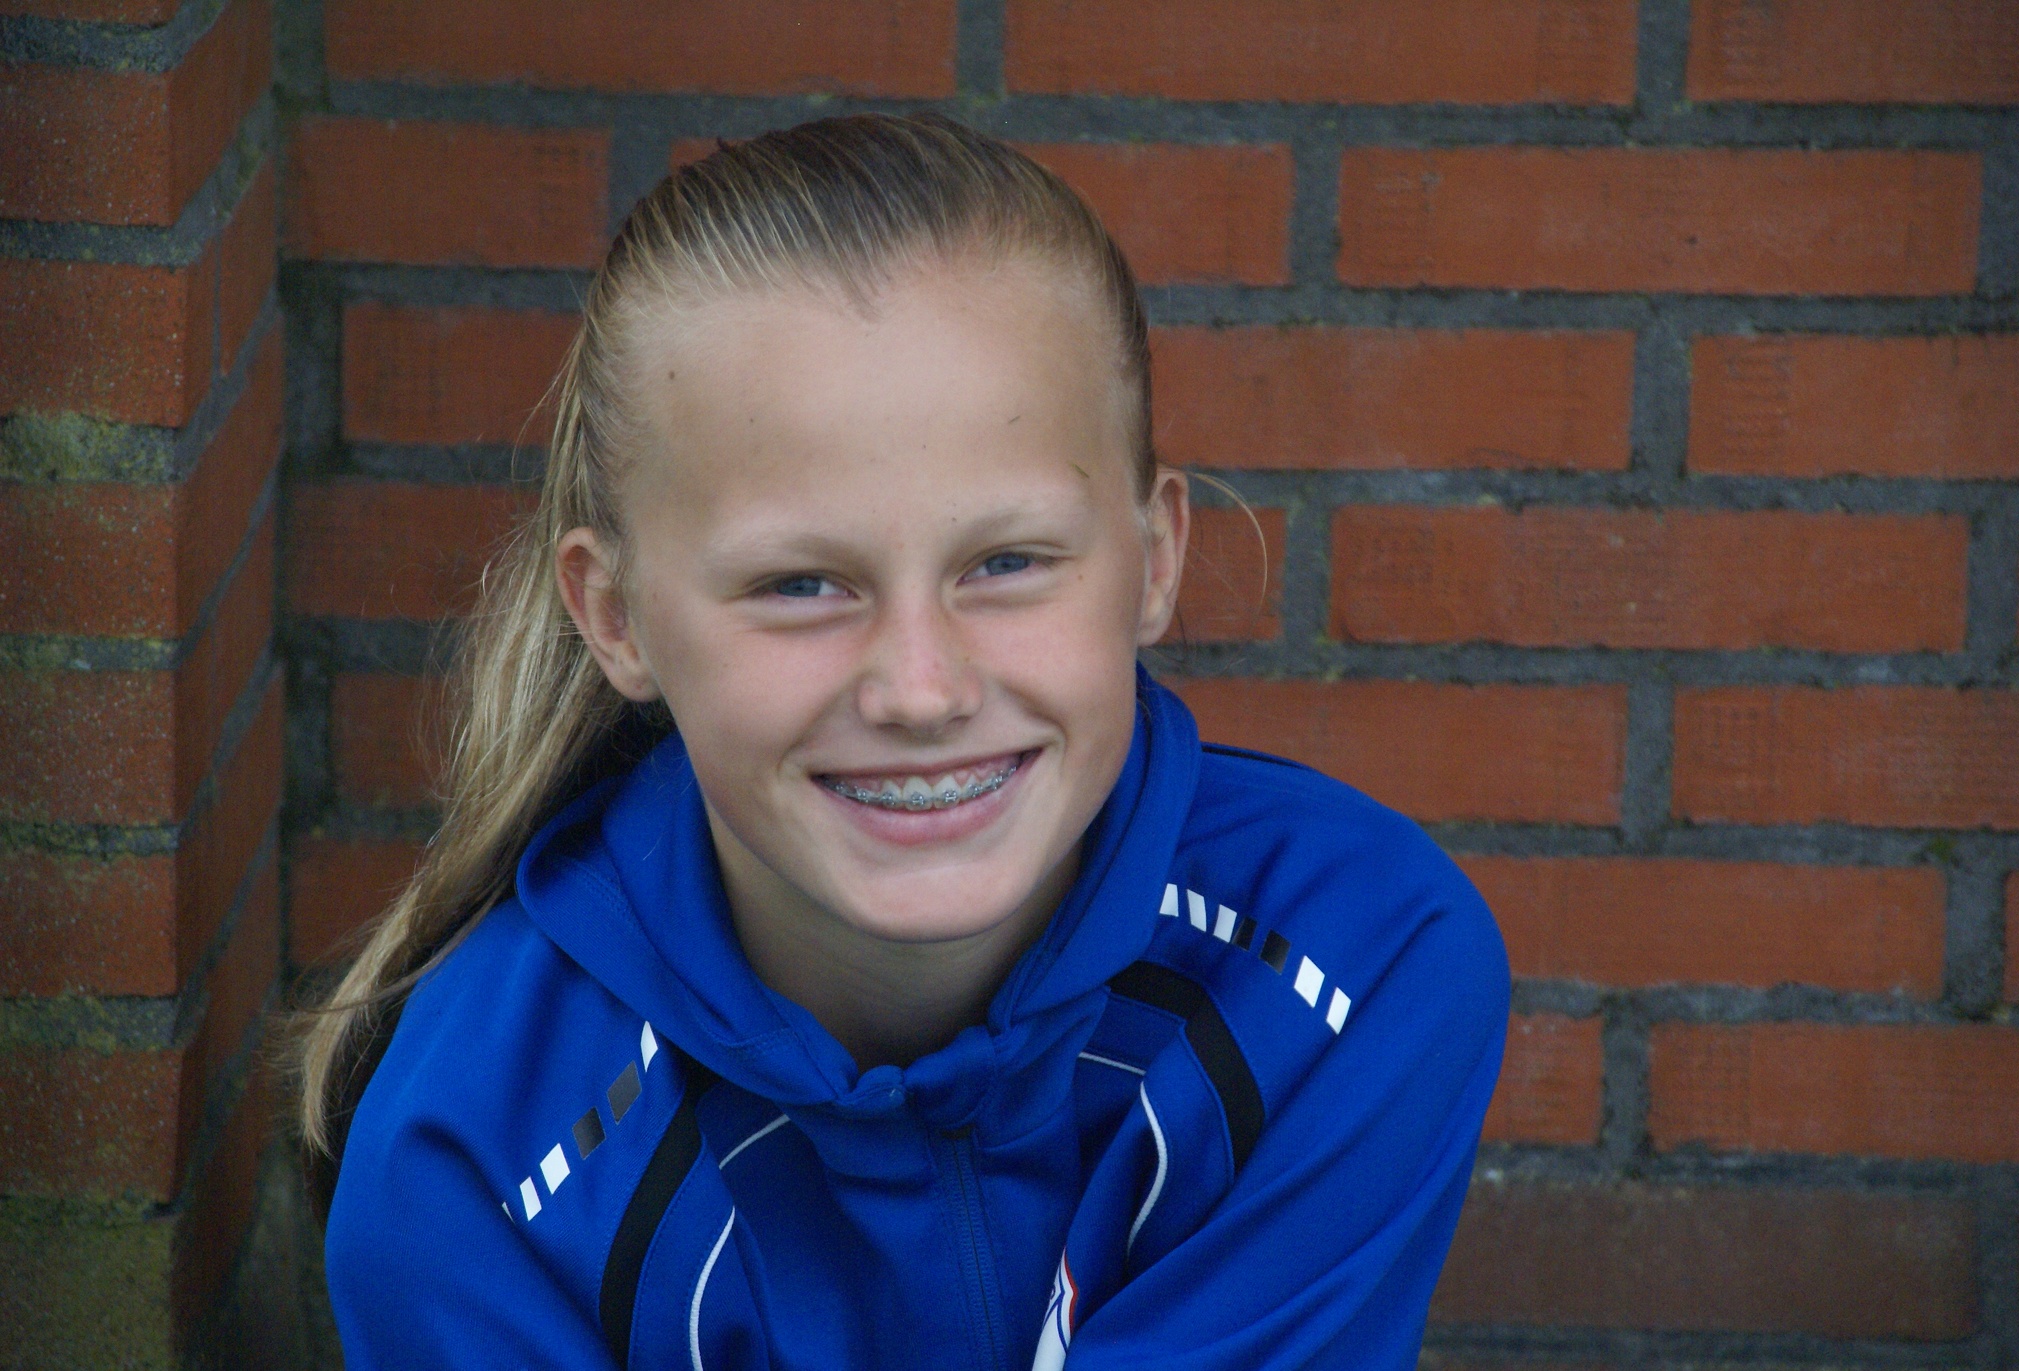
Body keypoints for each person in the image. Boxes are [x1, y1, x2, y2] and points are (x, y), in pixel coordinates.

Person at [299, 113, 1508, 1371]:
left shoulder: (1352, 964)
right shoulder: (468, 1170)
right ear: (617, 618)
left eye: (1006, 562)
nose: (921, 689)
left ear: (1152, 562)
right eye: (800, 586)